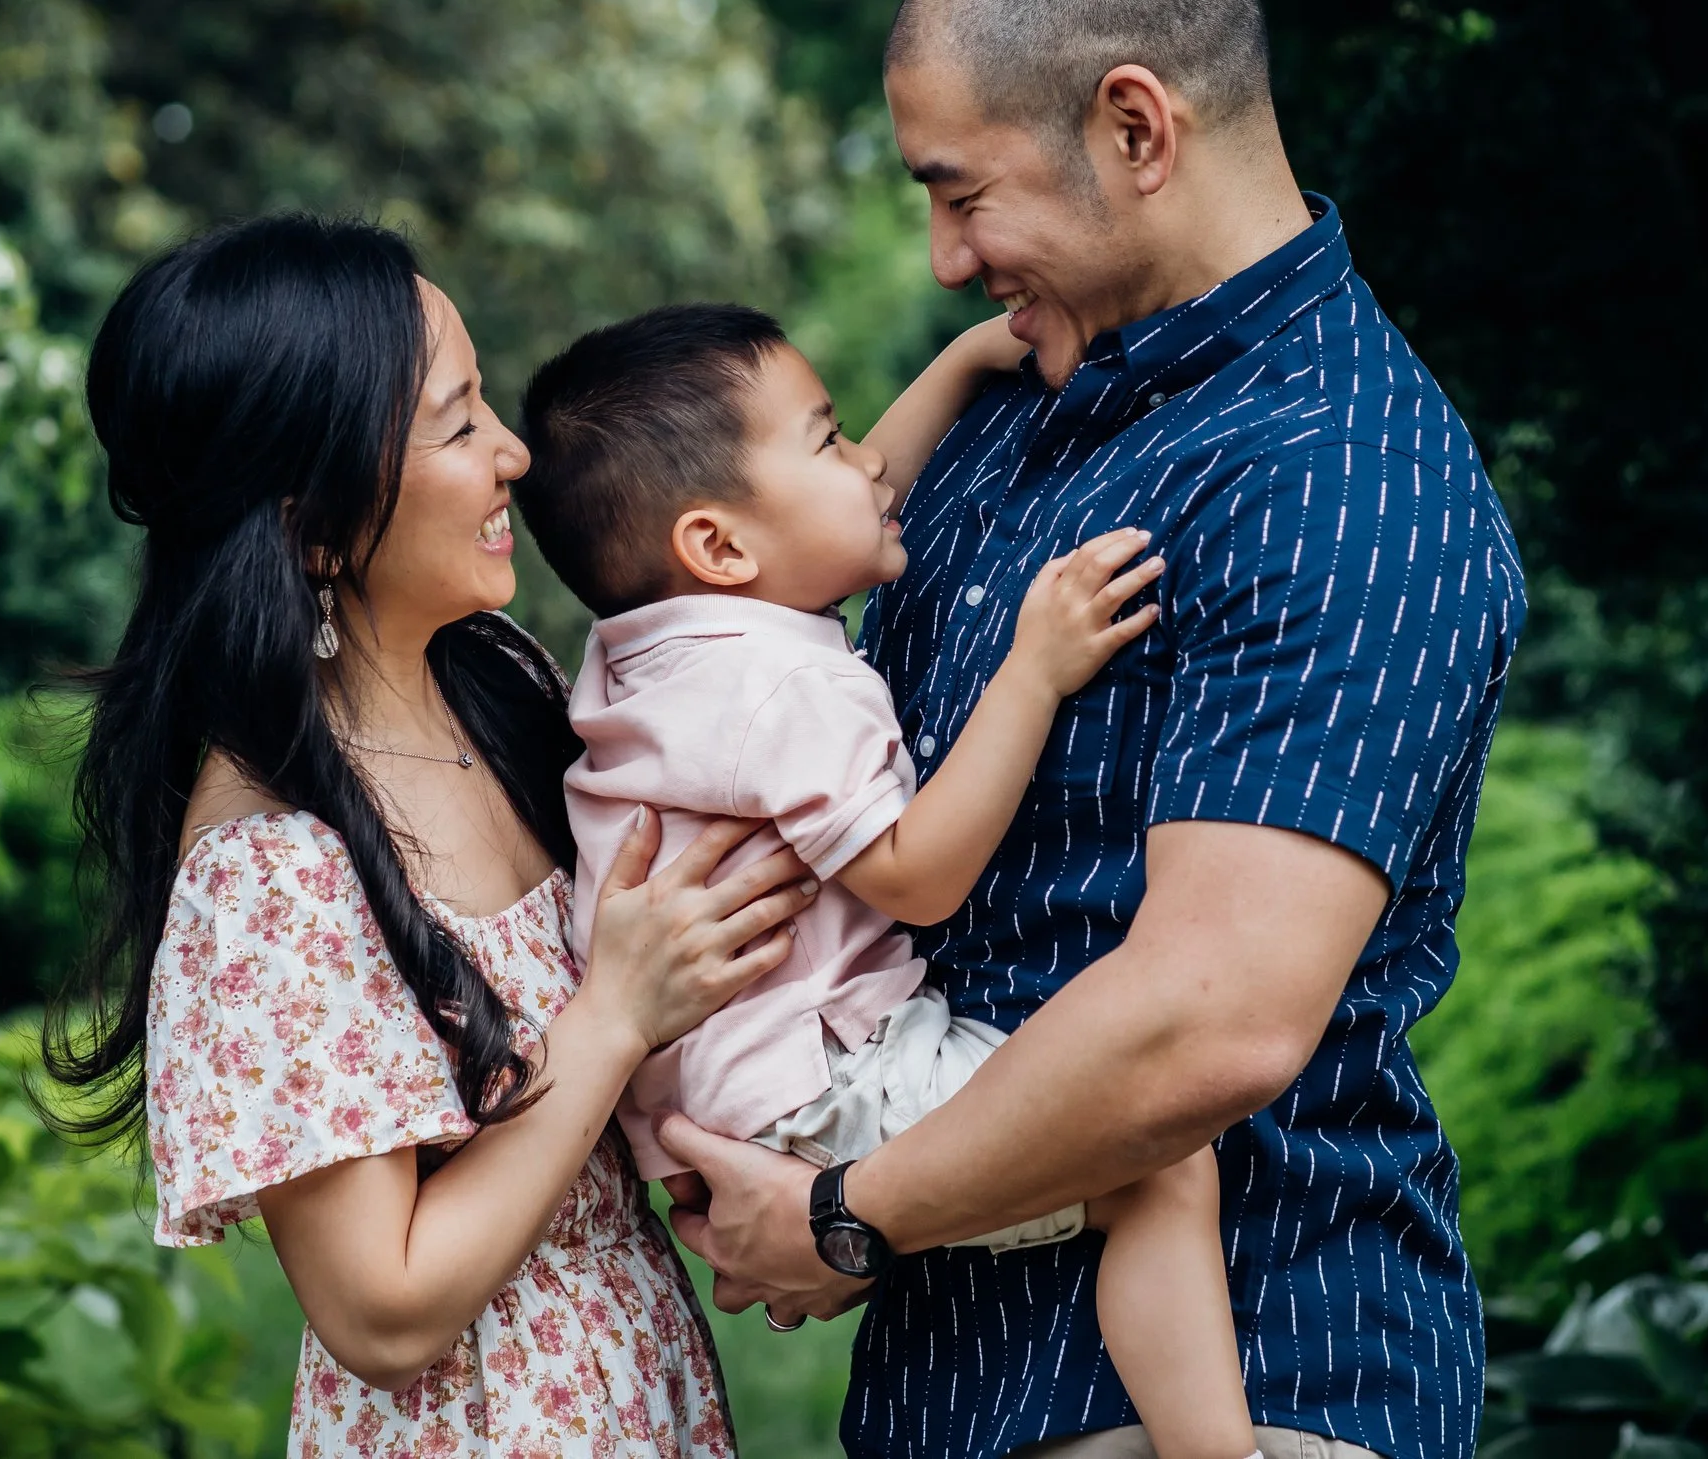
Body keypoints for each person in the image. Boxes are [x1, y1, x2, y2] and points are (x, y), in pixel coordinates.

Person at [652, 0, 1526, 1459]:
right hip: (953, 1381)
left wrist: (850, 1208)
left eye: (963, 193)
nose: (943, 258)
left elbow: (1212, 1018)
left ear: (1135, 128)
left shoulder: (1344, 477)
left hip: (1254, 1377)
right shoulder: (1009, 412)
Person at [44, 214, 822, 1456]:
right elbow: (381, 1309)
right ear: (311, 523)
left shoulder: (496, 680)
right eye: (458, 425)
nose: (513, 451)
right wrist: (614, 1014)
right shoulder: (268, 869)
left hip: (640, 1382)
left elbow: (792, 520)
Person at [512, 302, 1257, 1459]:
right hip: (824, 1083)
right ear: (719, 547)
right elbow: (918, 876)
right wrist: (1035, 667)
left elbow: (837, 506)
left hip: (739, 1092)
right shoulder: (782, 690)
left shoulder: (654, 646)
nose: (869, 461)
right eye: (829, 438)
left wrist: (965, 358)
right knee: (1157, 1161)